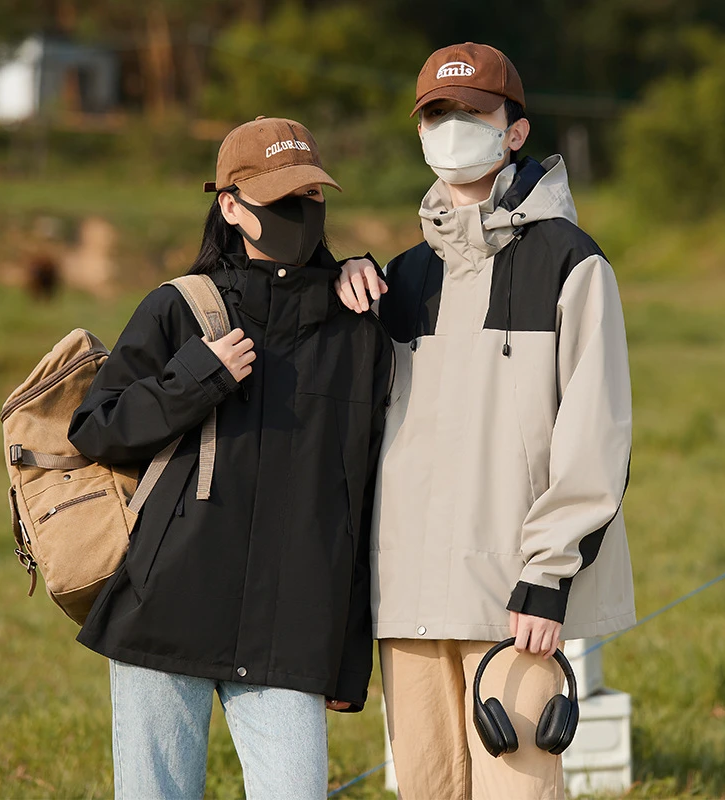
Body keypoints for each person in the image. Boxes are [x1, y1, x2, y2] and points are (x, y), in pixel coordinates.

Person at [337, 43, 635, 799]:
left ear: (514, 132)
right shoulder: (397, 280)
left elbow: (596, 433)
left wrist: (548, 575)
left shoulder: (571, 264)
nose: (452, 127)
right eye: (437, 113)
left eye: (472, 112)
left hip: (514, 599)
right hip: (407, 603)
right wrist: (334, 280)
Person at [68, 115, 393, 800]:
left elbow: (360, 501)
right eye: (279, 200)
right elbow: (94, 429)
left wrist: (345, 658)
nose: (299, 214)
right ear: (230, 206)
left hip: (290, 630)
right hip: (164, 613)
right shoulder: (178, 309)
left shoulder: (357, 328)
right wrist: (196, 380)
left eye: (311, 197)